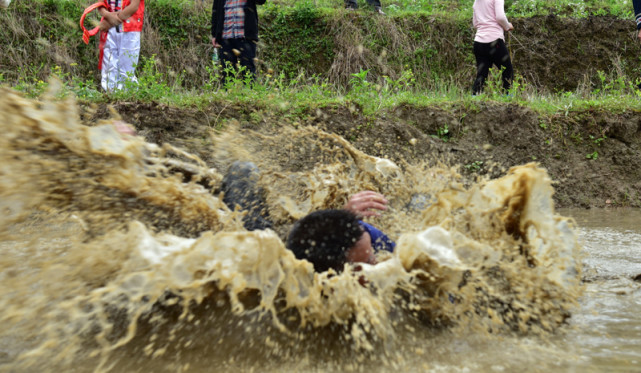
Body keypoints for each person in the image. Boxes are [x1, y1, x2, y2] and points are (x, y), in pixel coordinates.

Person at [286, 191, 395, 273]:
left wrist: (344, 216)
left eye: (371, 253)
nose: (378, 262)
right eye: (367, 264)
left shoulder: (368, 236)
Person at [92, 0, 144, 91]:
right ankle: (110, 96)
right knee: (109, 65)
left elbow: (134, 6)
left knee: (127, 68)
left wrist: (114, 20)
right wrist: (107, 15)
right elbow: (100, 4)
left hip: (129, 30)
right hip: (110, 30)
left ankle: (128, 98)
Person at [211, 0, 266, 83]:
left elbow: (261, 1)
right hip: (225, 36)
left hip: (246, 37)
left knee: (248, 71)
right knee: (227, 72)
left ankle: (250, 94)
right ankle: (227, 94)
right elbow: (215, 11)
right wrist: (214, 34)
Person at [471, 0, 513, 95]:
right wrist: (507, 26)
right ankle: (508, 99)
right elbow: (500, 17)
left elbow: (475, 24)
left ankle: (474, 99)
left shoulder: (477, 2)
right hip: (494, 41)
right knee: (507, 71)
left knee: (482, 74)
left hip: (479, 43)